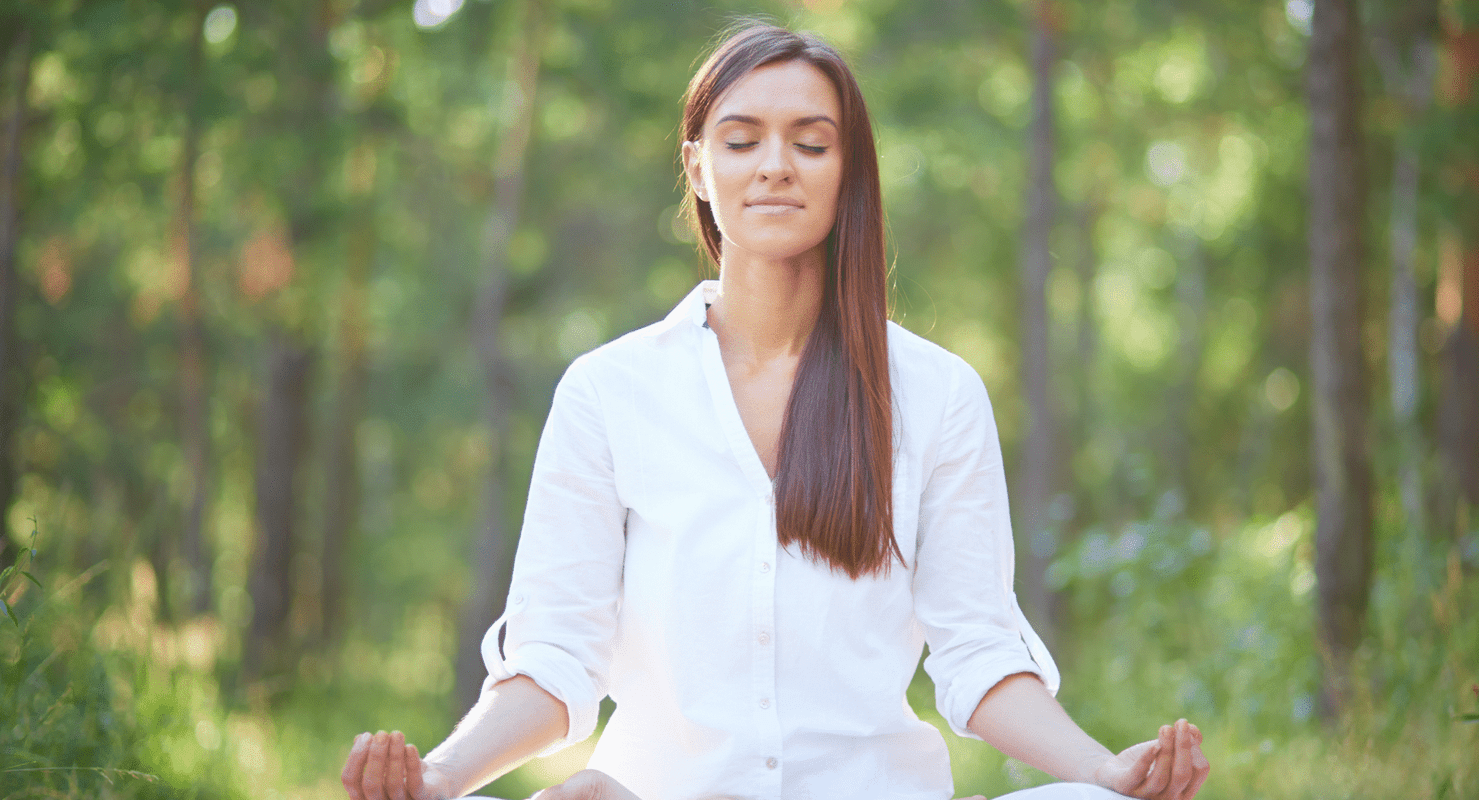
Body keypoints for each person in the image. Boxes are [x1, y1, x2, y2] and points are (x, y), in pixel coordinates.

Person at [341, 23, 1210, 800]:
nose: (775, 165)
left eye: (811, 143)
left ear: (849, 170)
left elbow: (978, 653)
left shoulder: (937, 394)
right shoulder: (611, 390)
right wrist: (444, 776)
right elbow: (555, 655)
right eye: (743, 138)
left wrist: (1103, 769)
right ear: (698, 165)